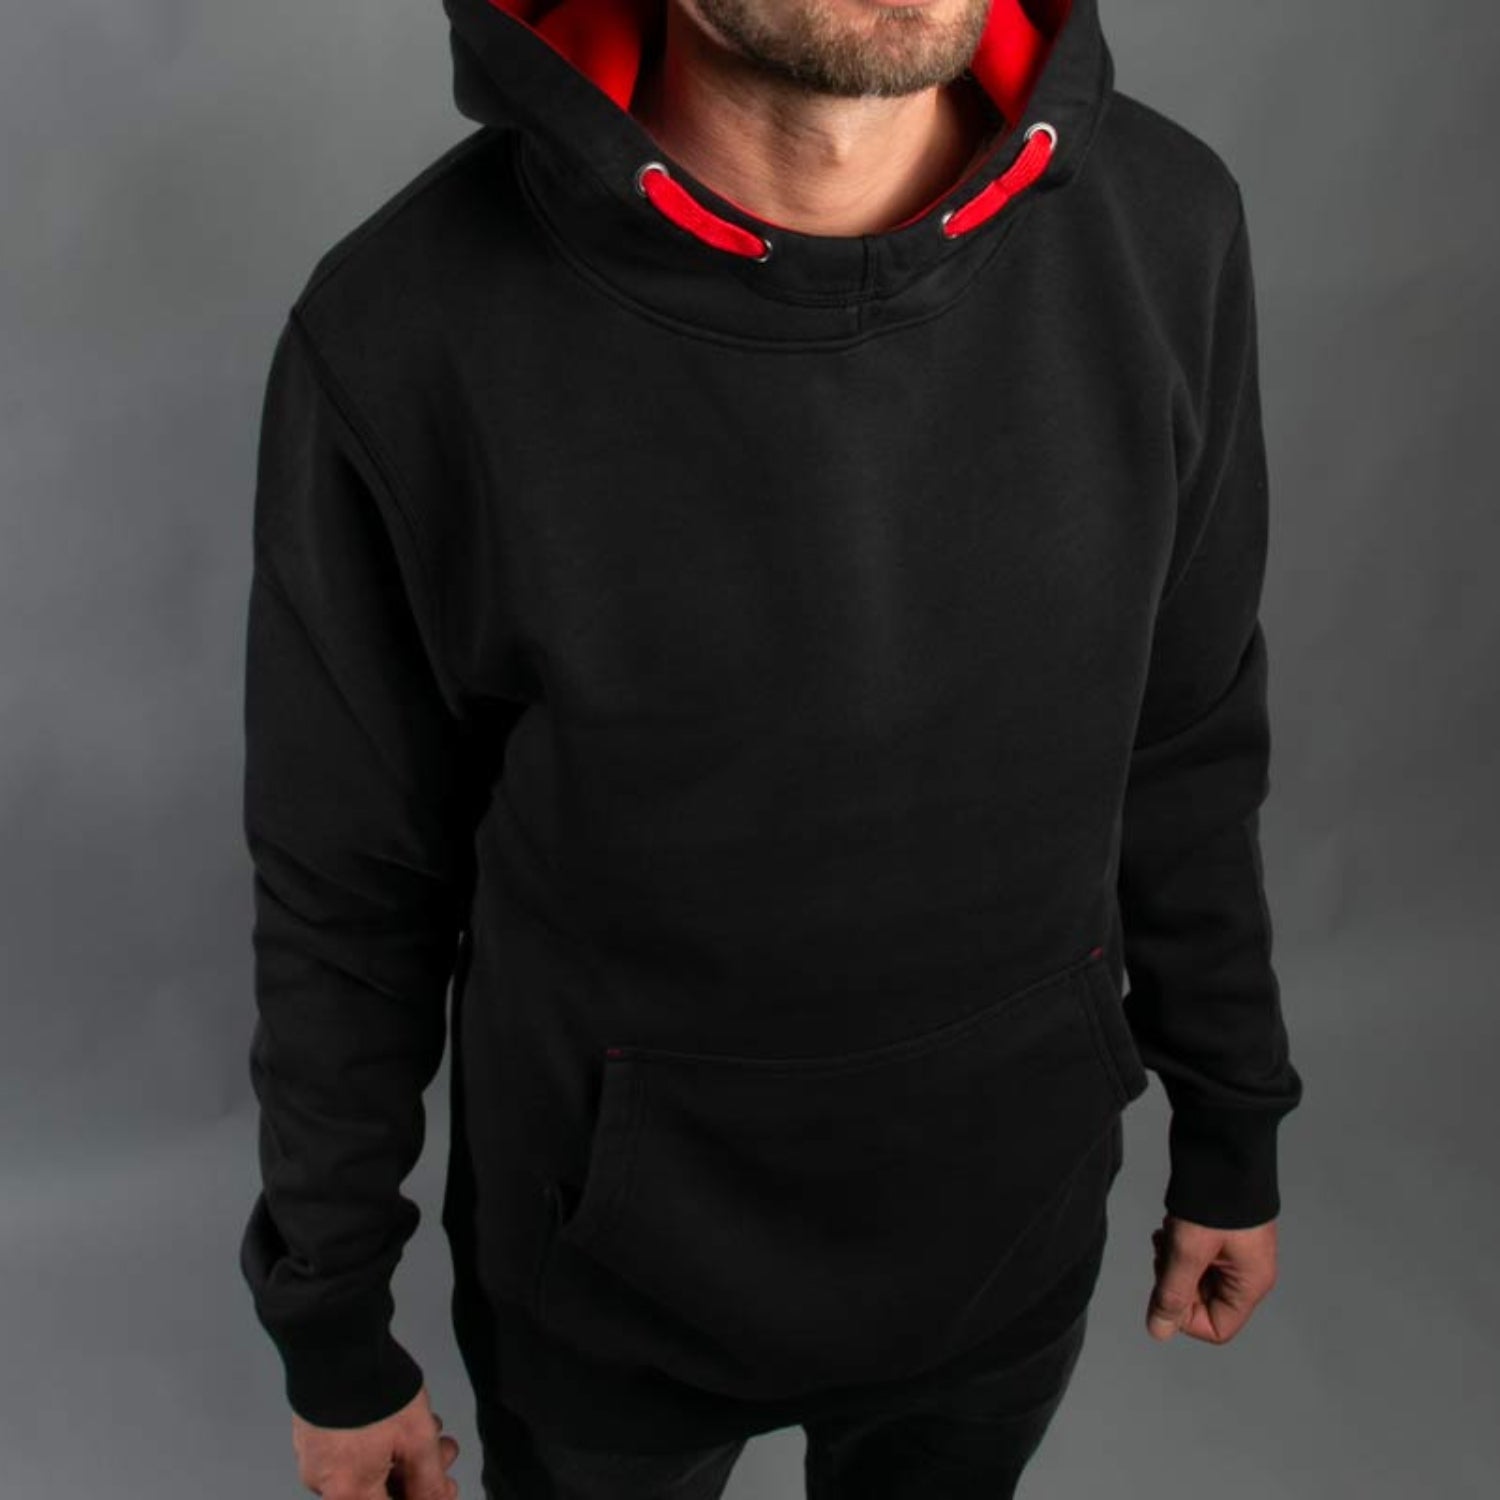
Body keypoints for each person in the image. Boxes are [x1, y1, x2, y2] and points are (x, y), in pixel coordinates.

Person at [237, 1, 1306, 1496]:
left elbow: (1188, 740)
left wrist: (1232, 1121)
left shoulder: (1167, 227)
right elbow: (352, 891)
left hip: (1005, 1239)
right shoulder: (404, 331)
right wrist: (333, 1319)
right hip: (608, 1298)